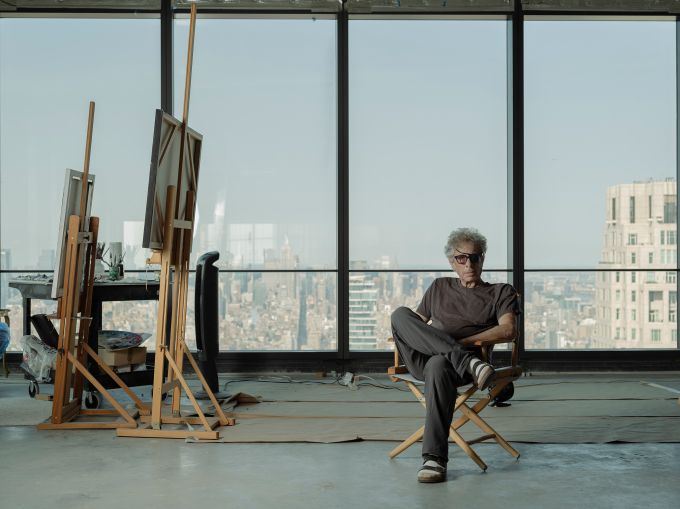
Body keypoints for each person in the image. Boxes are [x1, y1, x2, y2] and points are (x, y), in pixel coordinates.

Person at [390, 227, 519, 483]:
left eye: (475, 257)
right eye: (462, 258)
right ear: (452, 262)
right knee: (398, 315)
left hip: (451, 369)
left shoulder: (500, 292)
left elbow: (508, 329)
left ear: (483, 259)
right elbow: (416, 321)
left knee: (439, 364)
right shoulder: (439, 286)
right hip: (425, 359)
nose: (469, 263)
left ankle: (434, 459)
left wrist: (455, 345)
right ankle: (467, 360)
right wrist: (450, 347)